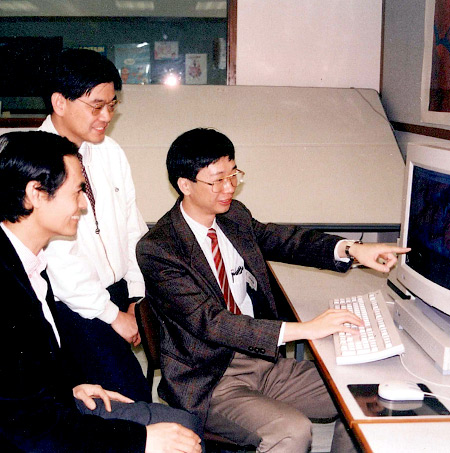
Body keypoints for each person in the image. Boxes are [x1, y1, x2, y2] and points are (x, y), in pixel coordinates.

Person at [136, 128, 410, 453]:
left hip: (265, 363)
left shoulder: (233, 215)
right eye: (217, 180)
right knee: (292, 431)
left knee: (363, 393)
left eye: (233, 174)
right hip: (212, 380)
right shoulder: (159, 248)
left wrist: (352, 249)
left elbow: (287, 241)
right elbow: (211, 322)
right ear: (185, 185)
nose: (229, 188)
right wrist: (306, 329)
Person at [0, 131, 202, 453]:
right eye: (77, 192)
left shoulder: (29, 264)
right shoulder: (3, 289)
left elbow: (26, 383)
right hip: (30, 434)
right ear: (36, 194)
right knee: (173, 439)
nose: (84, 205)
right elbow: (26, 426)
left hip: (49, 410)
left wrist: (72, 387)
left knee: (185, 427)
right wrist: (141, 440)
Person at [39, 48, 151, 402]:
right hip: (74, 306)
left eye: (112, 105)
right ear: (60, 102)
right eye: (96, 105)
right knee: (128, 403)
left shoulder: (110, 152)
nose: (106, 116)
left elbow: (133, 226)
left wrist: (135, 295)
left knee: (120, 405)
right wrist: (111, 315)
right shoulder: (35, 160)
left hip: (118, 296)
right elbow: (57, 256)